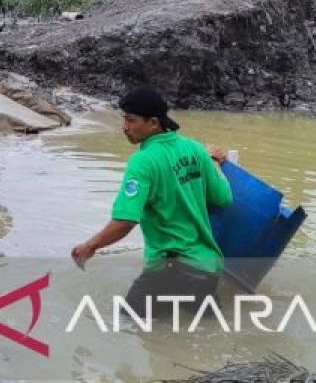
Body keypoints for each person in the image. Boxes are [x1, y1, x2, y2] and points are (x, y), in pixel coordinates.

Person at [71, 87, 232, 318]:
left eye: (131, 120)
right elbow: (224, 198)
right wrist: (214, 162)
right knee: (197, 337)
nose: (124, 127)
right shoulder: (196, 150)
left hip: (170, 269)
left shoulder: (142, 162)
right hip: (207, 269)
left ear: (154, 123)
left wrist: (90, 246)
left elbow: (125, 221)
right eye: (124, 119)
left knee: (121, 327)